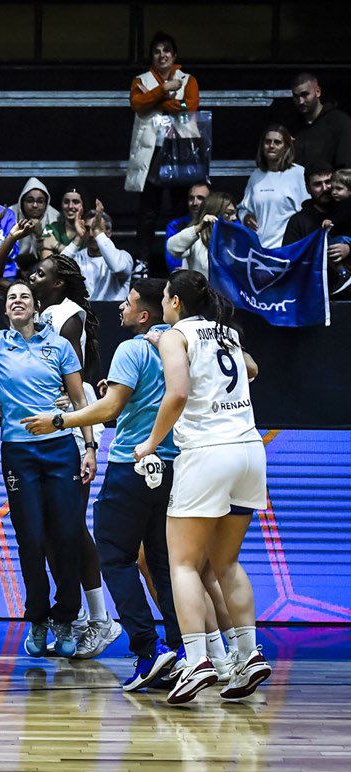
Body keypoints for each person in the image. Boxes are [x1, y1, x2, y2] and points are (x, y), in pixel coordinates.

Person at [22, 279, 183, 691]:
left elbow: (110, 409)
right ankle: (184, 651)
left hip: (134, 464)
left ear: (144, 314)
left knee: (114, 557)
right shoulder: (181, 344)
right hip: (172, 464)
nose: (121, 309)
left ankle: (148, 649)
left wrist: (58, 421)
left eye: (128, 304)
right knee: (162, 561)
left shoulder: (133, 348)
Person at [133, 270, 271, 705]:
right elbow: (251, 368)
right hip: (249, 450)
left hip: (208, 452)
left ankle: (197, 660)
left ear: (172, 302)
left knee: (184, 565)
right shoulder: (226, 331)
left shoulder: (176, 334)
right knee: (226, 562)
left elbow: (176, 394)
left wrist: (150, 442)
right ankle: (248, 654)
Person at [0, 280, 96, 659]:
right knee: (30, 539)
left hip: (61, 450)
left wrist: (90, 447)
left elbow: (79, 400)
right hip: (18, 453)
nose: (16, 302)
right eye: (11, 297)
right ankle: (38, 619)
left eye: (24, 297)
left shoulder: (59, 346)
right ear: (6, 308)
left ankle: (65, 618)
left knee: (66, 535)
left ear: (35, 307)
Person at [126, 31, 200, 277]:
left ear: (174, 55)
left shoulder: (187, 79)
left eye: (166, 50)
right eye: (157, 51)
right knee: (148, 210)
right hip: (152, 152)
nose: (162, 55)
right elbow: (138, 104)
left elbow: (188, 108)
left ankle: (180, 260)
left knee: (180, 207)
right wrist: (164, 90)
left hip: (178, 150)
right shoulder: (141, 78)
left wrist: (157, 100)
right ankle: (142, 261)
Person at [238, 125, 308, 249]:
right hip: (259, 250)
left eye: (277, 142)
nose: (271, 146)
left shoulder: (298, 173)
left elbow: (308, 212)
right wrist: (246, 217)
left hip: (287, 250)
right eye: (267, 142)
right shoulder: (256, 175)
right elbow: (243, 209)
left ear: (285, 147)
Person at [57, 200, 133, 302]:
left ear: (109, 233)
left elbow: (118, 268)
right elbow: (58, 270)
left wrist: (98, 233)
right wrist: (78, 237)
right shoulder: (78, 257)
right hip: (85, 315)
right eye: (88, 229)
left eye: (97, 228)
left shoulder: (123, 256)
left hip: (113, 314)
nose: (92, 234)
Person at [167, 192, 238, 277]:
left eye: (235, 213)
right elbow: (172, 248)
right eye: (228, 213)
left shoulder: (236, 240)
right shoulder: (196, 239)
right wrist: (198, 228)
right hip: (200, 289)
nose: (235, 218)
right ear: (215, 213)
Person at [289, 73, 351, 170]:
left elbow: (345, 167)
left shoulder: (340, 122)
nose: (300, 101)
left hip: (328, 184)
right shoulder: (291, 125)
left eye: (305, 95)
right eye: (296, 96)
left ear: (318, 92)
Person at [7, 177, 61, 275]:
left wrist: (40, 234)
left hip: (44, 271)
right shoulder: (11, 214)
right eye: (30, 201)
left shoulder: (55, 217)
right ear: (22, 202)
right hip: (13, 270)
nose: (35, 205)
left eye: (40, 201)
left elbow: (56, 258)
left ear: (46, 203)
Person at [282, 163, 334, 244]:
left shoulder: (347, 212)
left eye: (328, 182)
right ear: (308, 189)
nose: (324, 188)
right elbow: (290, 254)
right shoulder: (298, 222)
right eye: (317, 184)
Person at [164, 182, 210, 271]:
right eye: (191, 198)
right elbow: (174, 262)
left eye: (200, 198)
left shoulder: (219, 222)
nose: (194, 203)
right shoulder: (176, 225)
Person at [41, 187, 86, 259]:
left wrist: (56, 245)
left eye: (75, 202)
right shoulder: (50, 229)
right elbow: (47, 264)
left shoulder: (90, 231)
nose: (70, 206)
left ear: (84, 205)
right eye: (66, 202)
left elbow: (89, 262)